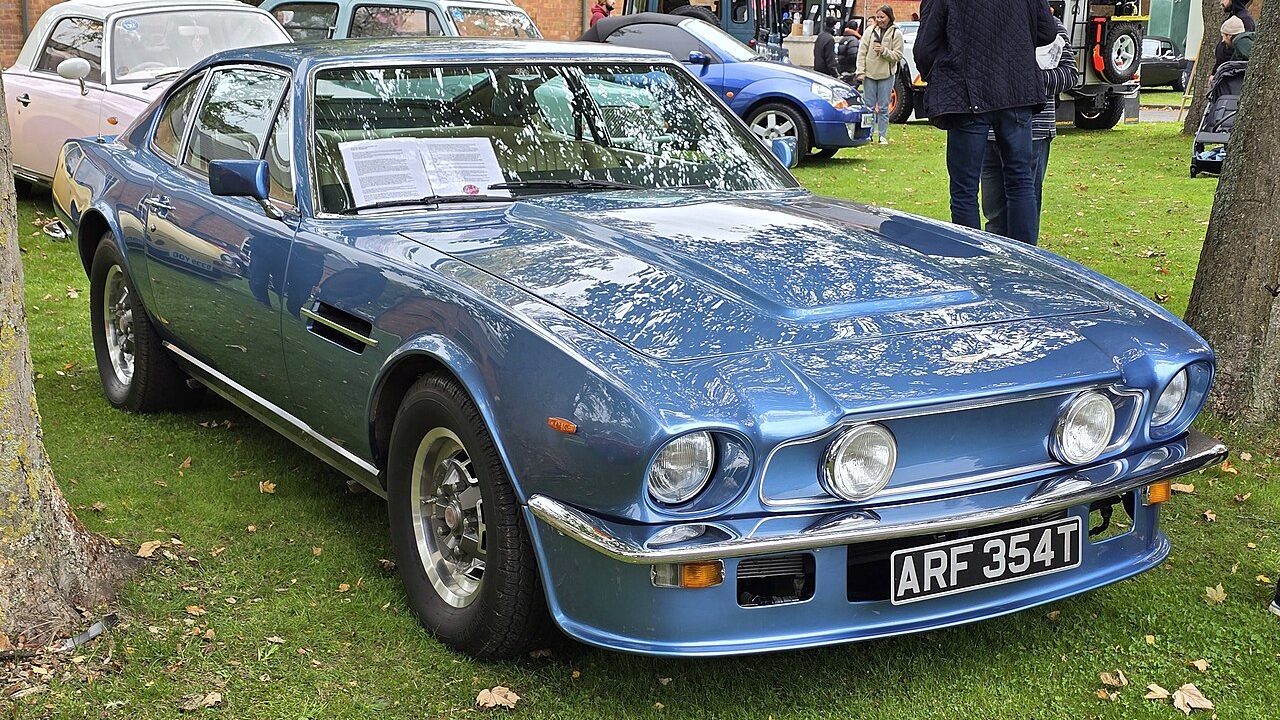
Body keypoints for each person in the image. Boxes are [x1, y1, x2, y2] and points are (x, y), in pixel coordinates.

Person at [914, 0, 1056, 245]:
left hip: (969, 96)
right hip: (1014, 90)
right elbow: (1047, 32)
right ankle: (1025, 259)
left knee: (964, 189)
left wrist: (943, 75)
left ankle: (971, 260)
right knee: (1020, 179)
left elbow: (925, 49)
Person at [980, 16, 1076, 244]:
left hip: (1034, 132)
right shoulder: (988, 22)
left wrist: (1029, 80)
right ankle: (994, 268)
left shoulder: (1050, 26)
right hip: (988, 133)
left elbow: (1070, 74)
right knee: (994, 215)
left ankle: (1025, 268)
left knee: (1025, 212)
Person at [855, 5, 904, 144]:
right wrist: (860, 71)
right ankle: (868, 134)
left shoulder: (896, 34)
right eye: (878, 17)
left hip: (886, 75)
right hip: (869, 75)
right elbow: (861, 52)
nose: (880, 20)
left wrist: (884, 51)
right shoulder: (869, 31)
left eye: (882, 17)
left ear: (889, 17)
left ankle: (882, 135)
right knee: (868, 107)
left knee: (883, 107)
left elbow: (898, 55)